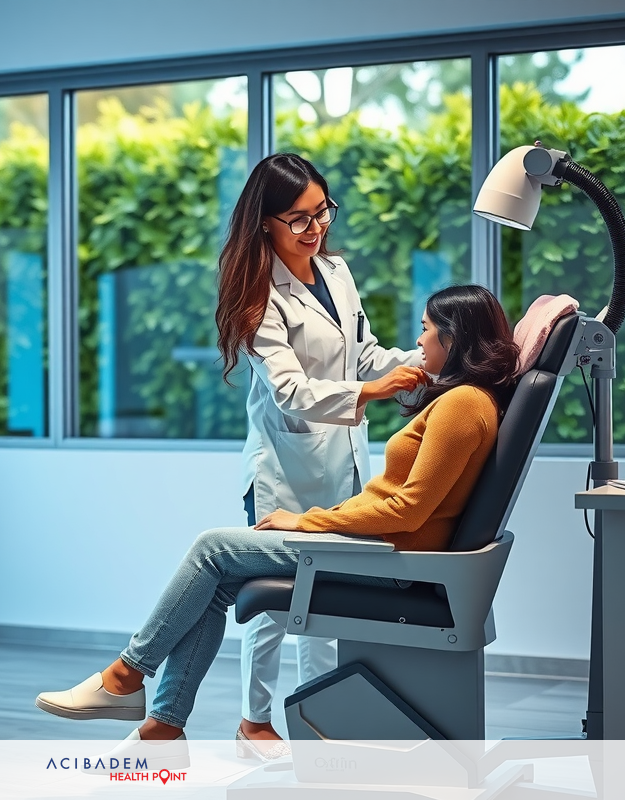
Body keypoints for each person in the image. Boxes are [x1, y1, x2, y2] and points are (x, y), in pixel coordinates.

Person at [34, 284, 520, 764]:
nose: (417, 343)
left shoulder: (461, 405)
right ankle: (162, 727)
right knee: (216, 587)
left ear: (453, 341)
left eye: (426, 331)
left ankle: (124, 677)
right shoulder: (469, 401)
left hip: (387, 556)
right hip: (386, 548)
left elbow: (408, 510)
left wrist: (308, 521)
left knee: (211, 549)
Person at [214, 153, 423, 758]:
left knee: (328, 599)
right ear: (264, 224)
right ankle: (254, 722)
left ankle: (317, 716)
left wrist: (414, 365)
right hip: (283, 469)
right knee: (276, 604)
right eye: (298, 219)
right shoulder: (258, 298)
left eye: (322, 211)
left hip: (345, 462)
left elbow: (361, 354)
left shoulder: (336, 270)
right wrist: (372, 391)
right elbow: (293, 393)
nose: (316, 228)